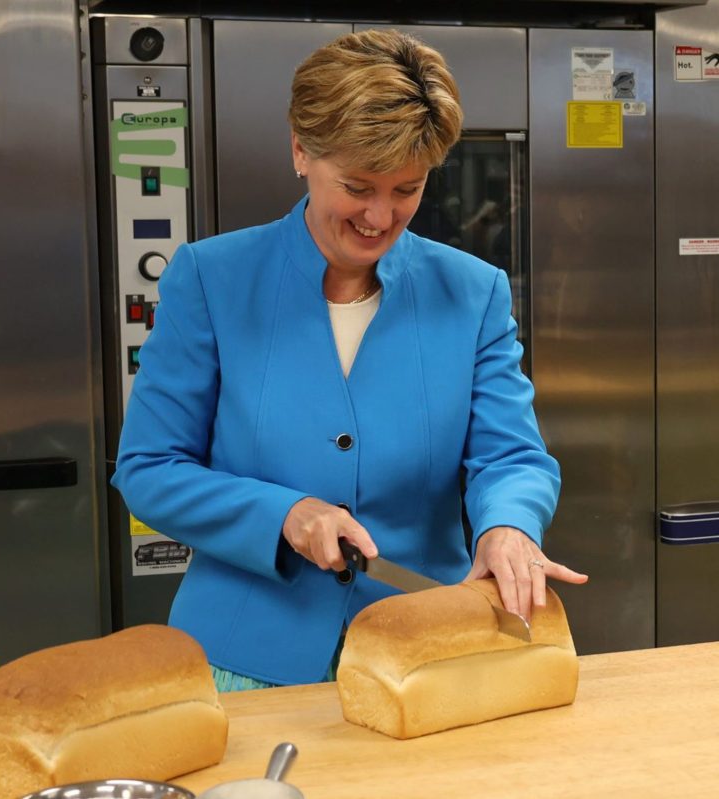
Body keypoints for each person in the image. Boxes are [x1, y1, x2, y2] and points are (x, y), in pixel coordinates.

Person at [112, 29, 588, 690]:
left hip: (425, 647)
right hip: (241, 657)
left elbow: (509, 457)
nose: (380, 215)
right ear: (301, 151)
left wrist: (507, 526)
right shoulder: (211, 280)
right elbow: (149, 467)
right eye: (358, 186)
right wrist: (284, 514)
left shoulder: (472, 292)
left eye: (407, 189)